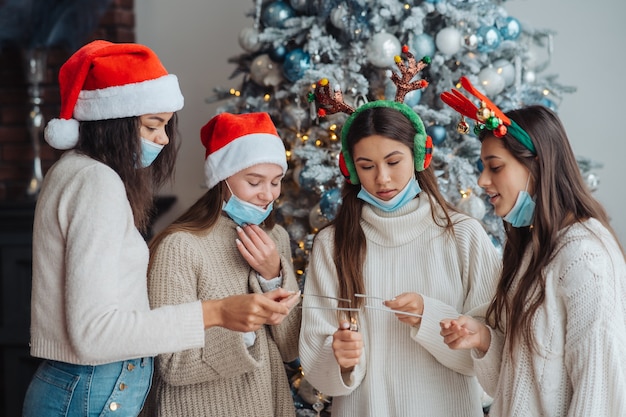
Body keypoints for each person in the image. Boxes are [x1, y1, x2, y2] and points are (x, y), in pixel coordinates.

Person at [23, 40, 298, 417]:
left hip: (90, 389)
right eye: (153, 125)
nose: (164, 139)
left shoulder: (71, 173)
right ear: (115, 121)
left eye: (165, 126)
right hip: (93, 391)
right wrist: (216, 312)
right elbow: (93, 334)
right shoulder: (96, 182)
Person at [298, 97, 502, 416]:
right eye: (366, 166)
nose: (382, 179)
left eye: (393, 162)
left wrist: (430, 317)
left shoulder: (464, 234)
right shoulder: (331, 244)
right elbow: (315, 359)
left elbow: (494, 355)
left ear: (419, 155)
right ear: (350, 168)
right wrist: (341, 358)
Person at [439, 84, 626, 416]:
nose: (482, 181)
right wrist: (483, 338)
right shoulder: (533, 249)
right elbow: (517, 387)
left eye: (495, 167)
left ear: (538, 167)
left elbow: (599, 393)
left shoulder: (584, 256)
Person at [141, 112, 302, 417]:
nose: (267, 194)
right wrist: (243, 326)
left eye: (276, 182)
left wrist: (272, 275)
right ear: (222, 179)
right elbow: (172, 365)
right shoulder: (180, 246)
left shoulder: (276, 238)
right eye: (254, 181)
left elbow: (292, 347)